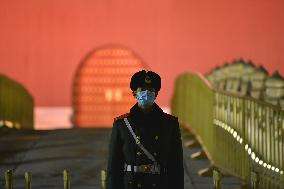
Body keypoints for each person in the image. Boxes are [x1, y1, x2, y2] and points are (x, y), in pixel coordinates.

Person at [106, 70, 184, 189]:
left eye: (151, 90)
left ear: (156, 94)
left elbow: (176, 166)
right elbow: (114, 167)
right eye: (142, 89)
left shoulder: (169, 124)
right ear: (134, 93)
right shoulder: (122, 125)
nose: (146, 93)